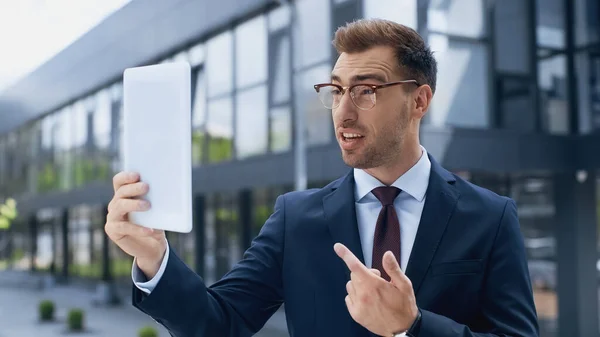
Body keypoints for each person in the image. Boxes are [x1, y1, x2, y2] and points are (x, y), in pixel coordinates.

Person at [105, 18, 539, 337]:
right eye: (336, 91)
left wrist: (414, 327)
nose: (343, 112)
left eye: (366, 91)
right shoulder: (296, 217)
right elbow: (219, 323)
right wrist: (155, 259)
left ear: (419, 100)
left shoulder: (491, 217)